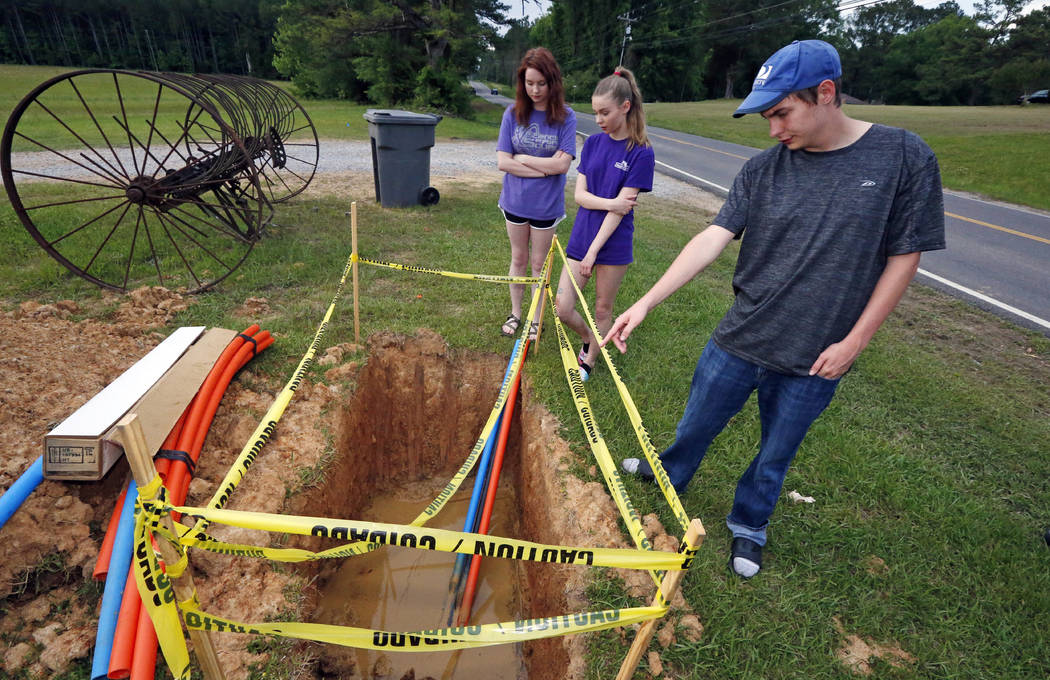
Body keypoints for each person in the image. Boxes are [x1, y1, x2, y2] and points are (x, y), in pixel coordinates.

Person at [605, 40, 946, 578]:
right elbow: (712, 237)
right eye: (768, 116)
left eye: (782, 113)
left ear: (826, 93)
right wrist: (646, 301)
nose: (773, 130)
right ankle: (669, 471)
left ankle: (749, 525)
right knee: (696, 422)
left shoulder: (904, 158)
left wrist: (855, 341)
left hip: (818, 355)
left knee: (776, 453)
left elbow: (905, 258)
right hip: (740, 337)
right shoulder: (763, 171)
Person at [556, 67, 654, 380]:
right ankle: (588, 337)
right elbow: (580, 196)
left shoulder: (641, 153)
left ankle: (589, 360)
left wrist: (594, 252)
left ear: (625, 107)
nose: (598, 119)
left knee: (602, 309)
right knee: (563, 306)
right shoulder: (595, 144)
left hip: (613, 243)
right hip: (582, 235)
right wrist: (610, 202)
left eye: (604, 112)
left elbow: (620, 213)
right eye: (595, 112)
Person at [497, 47, 577, 339]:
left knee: (538, 264)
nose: (535, 90)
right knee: (518, 259)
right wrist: (546, 167)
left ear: (552, 82)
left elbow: (563, 165)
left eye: (541, 83)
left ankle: (535, 317)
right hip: (515, 202)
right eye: (529, 83)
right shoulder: (512, 114)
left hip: (547, 207)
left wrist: (525, 160)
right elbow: (503, 161)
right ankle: (516, 313)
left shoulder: (566, 118)